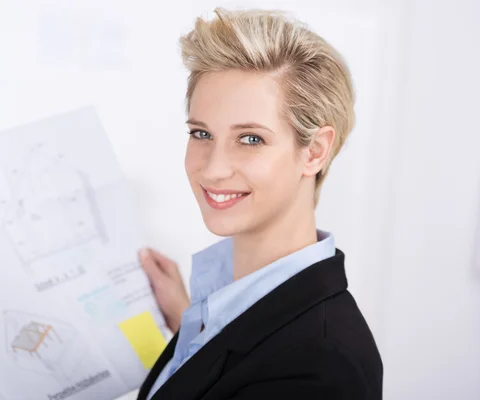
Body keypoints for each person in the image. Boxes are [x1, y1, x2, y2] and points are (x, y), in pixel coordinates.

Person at [136, 7, 382, 400]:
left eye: (250, 139)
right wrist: (191, 330)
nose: (213, 170)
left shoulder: (318, 369)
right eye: (201, 133)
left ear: (315, 151)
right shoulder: (224, 316)